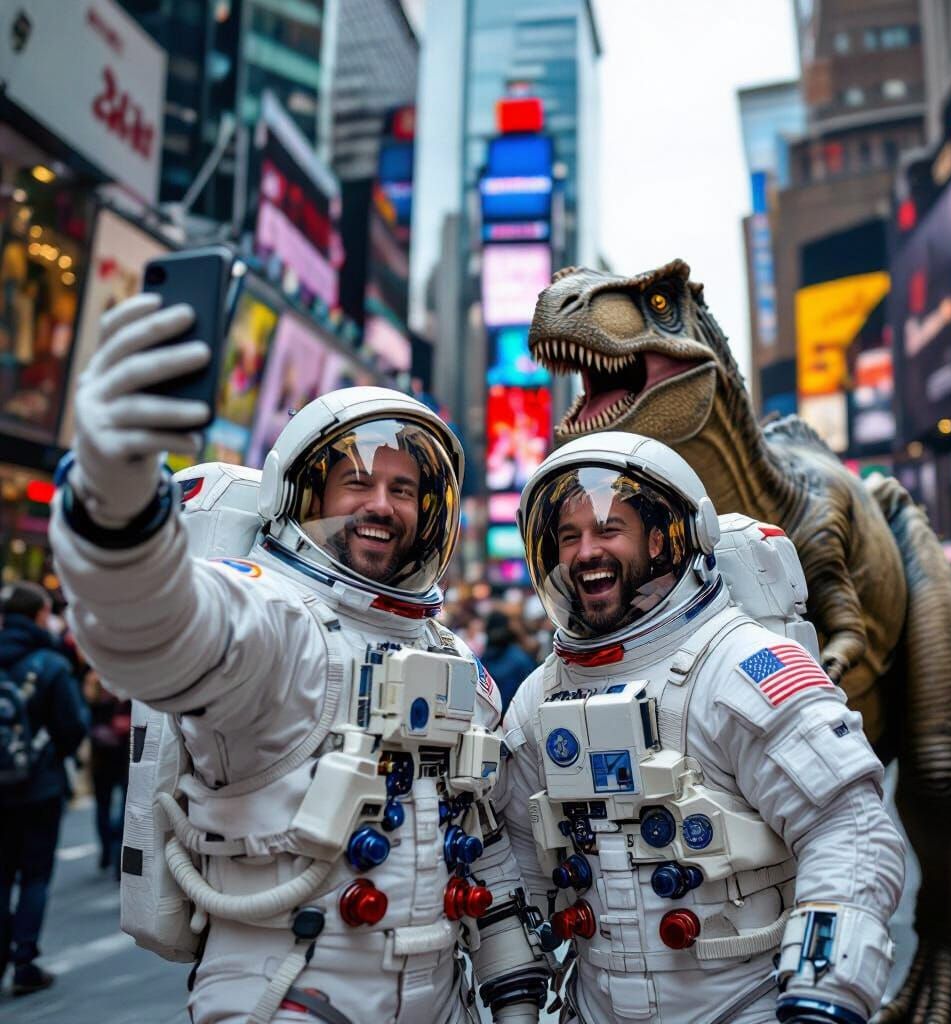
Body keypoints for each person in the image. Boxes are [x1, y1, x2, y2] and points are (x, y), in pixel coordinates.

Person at [49, 294, 549, 1024]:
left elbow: (480, 842)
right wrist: (114, 501)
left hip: (443, 995)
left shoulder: (452, 663)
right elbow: (156, 629)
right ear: (305, 493)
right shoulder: (277, 620)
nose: (381, 505)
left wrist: (516, 994)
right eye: (357, 482)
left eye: (403, 489)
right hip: (289, 989)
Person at [496, 432, 906, 1024]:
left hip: (746, 1006)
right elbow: (515, 869)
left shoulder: (743, 664)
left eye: (609, 529)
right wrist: (515, 1004)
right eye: (569, 536)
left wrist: (825, 994)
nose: (586, 552)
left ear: (661, 538)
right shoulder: (541, 696)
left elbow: (849, 829)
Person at [0, 581, 89, 996]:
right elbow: (72, 726)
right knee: (35, 875)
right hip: (40, 786)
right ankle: (25, 961)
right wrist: (53, 757)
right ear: (39, 615)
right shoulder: (51, 663)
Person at [82, 667, 131, 876]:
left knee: (108, 806)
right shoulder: (122, 682)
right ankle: (113, 853)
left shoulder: (92, 685)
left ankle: (109, 853)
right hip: (115, 757)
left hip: (107, 757)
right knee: (116, 806)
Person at [481, 611, 537, 710]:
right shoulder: (486, 657)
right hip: (490, 713)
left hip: (513, 713)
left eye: (499, 631)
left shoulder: (519, 659)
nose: (496, 634)